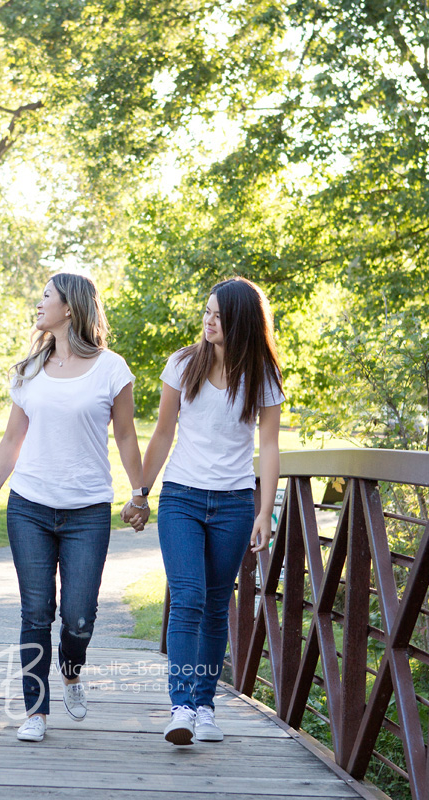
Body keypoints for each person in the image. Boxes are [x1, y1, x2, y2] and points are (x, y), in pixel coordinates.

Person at [0, 272, 146, 744]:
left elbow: (126, 436)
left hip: (87, 510)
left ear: (69, 308)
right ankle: (36, 710)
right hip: (29, 507)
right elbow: (12, 438)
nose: (39, 302)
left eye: (46, 296)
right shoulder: (28, 370)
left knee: (80, 616)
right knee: (35, 611)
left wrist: (140, 491)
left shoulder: (112, 368)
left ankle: (71, 669)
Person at [127, 277, 284, 746]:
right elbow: (161, 434)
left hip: (235, 502)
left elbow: (270, 447)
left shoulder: (263, 374)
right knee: (189, 597)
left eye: (217, 314)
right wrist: (141, 492)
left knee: (217, 606)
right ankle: (180, 706)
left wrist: (264, 509)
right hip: (182, 498)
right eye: (207, 311)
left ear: (240, 321)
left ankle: (204, 705)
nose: (208, 319)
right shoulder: (182, 364)